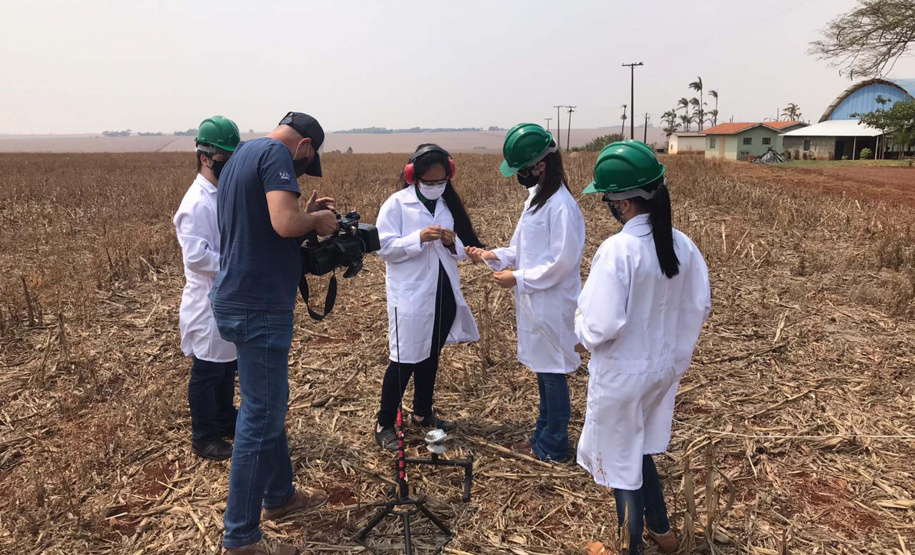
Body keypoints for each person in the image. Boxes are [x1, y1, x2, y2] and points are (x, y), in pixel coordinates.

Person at [210, 112, 339, 555]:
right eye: (308, 163)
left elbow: (265, 223)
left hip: (238, 297)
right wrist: (316, 223)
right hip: (258, 305)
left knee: (267, 406)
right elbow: (285, 224)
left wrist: (306, 213)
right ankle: (241, 537)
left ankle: (280, 496)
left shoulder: (243, 153)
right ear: (304, 146)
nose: (304, 169)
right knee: (260, 418)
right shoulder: (276, 155)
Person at [575, 141, 711, 555]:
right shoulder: (682, 245)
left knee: (620, 464)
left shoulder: (618, 250)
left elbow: (600, 326)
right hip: (664, 371)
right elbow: (700, 306)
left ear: (623, 204)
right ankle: (663, 531)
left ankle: (627, 545)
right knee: (638, 447)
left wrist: (579, 327)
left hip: (622, 376)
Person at [466, 123, 585, 462]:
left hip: (552, 303)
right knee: (544, 373)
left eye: (522, 169)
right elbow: (522, 249)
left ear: (541, 166)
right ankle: (542, 435)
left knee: (553, 375)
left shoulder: (561, 206)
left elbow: (562, 262)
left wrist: (518, 278)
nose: (520, 176)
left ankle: (554, 445)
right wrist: (493, 256)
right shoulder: (536, 200)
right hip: (537, 303)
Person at [373, 144, 484, 450]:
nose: (436, 187)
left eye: (441, 182)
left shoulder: (449, 206)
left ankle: (423, 413)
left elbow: (463, 251)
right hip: (410, 295)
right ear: (413, 177)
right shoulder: (396, 205)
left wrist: (451, 243)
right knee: (403, 360)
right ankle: (384, 422)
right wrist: (418, 238)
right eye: (430, 182)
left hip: (443, 291)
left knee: (430, 355)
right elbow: (383, 248)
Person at [173, 115, 241, 461]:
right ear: (205, 158)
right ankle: (203, 436)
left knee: (227, 365)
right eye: (223, 160)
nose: (228, 166)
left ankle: (224, 417)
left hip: (227, 295)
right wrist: (237, 263)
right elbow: (198, 258)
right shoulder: (197, 202)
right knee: (207, 369)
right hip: (208, 299)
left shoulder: (221, 193)